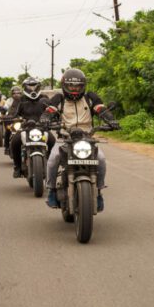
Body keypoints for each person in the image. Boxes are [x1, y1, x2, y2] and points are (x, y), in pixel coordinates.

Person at [43, 68, 108, 210]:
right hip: (65, 138)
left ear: (83, 86)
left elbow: (100, 109)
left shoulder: (90, 97)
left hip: (87, 138)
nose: (74, 89)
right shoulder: (59, 98)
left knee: (101, 160)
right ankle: (51, 190)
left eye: (78, 86)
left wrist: (110, 119)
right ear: (64, 85)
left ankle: (98, 192)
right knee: (53, 159)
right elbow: (50, 110)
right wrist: (45, 118)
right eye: (71, 85)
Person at [8, 78, 54, 178]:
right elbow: (13, 113)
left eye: (34, 86)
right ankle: (17, 167)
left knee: (52, 141)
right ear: (25, 88)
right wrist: (13, 118)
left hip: (42, 128)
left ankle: (49, 165)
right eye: (29, 86)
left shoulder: (45, 99)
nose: (32, 89)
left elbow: (52, 112)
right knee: (14, 142)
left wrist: (53, 119)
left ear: (38, 87)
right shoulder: (20, 100)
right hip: (25, 128)